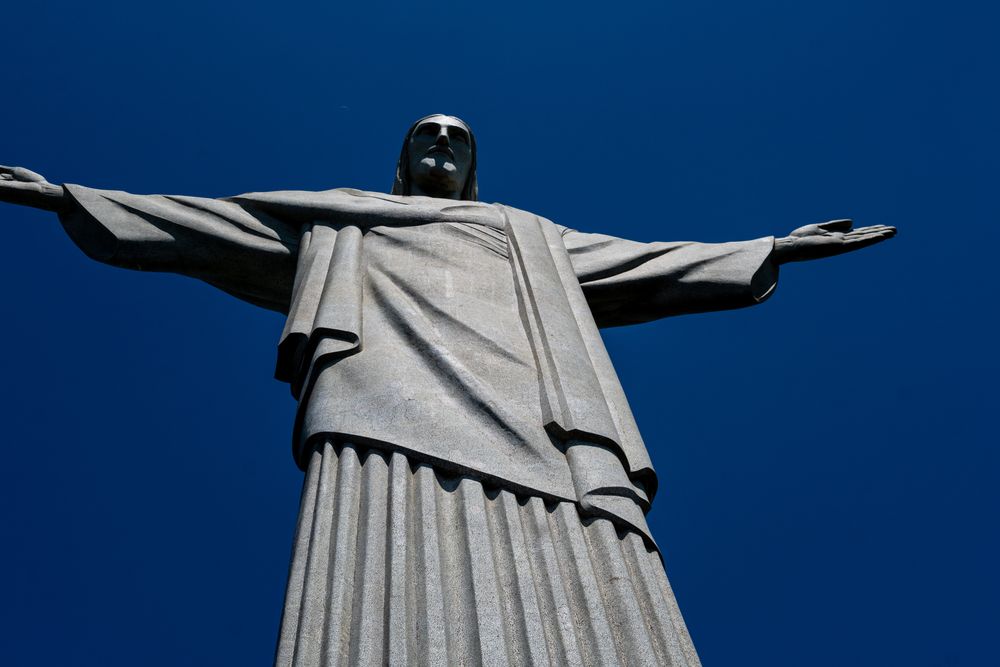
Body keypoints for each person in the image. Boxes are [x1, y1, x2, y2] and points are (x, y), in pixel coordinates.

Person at [0, 114, 894, 666]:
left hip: (543, 423)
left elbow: (648, 264)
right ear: (402, 163)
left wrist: (770, 248)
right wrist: (65, 196)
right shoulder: (347, 220)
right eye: (426, 135)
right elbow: (207, 225)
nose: (441, 146)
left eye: (458, 140)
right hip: (376, 406)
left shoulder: (525, 236)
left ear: (474, 166)